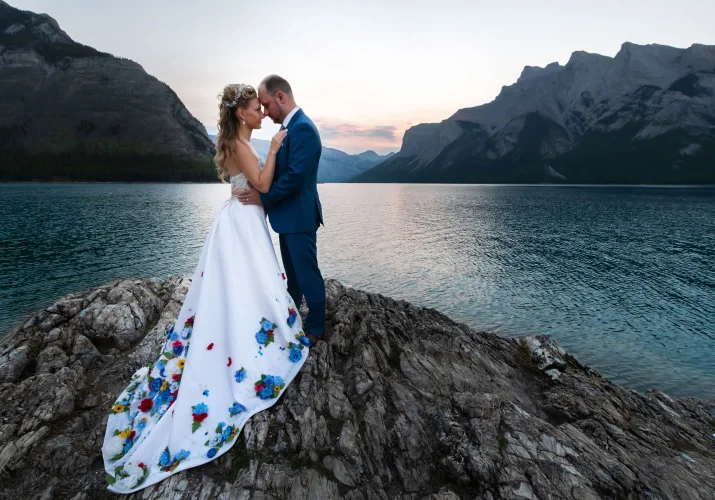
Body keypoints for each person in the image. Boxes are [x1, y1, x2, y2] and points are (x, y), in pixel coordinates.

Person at [102, 83, 310, 494]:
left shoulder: (238, 141)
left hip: (239, 219)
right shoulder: (244, 145)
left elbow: (253, 188)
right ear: (240, 114)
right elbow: (264, 187)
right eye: (255, 108)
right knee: (249, 282)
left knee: (243, 284)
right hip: (242, 223)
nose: (262, 113)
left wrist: (262, 166)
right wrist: (272, 154)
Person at [234, 75, 326, 345]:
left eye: (266, 105)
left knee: (307, 275)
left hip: (299, 217)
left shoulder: (303, 129)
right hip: (288, 217)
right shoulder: (291, 127)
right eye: (260, 107)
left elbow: (296, 177)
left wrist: (263, 198)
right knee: (294, 276)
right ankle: (292, 318)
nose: (265, 112)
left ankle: (317, 328)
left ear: (281, 98)